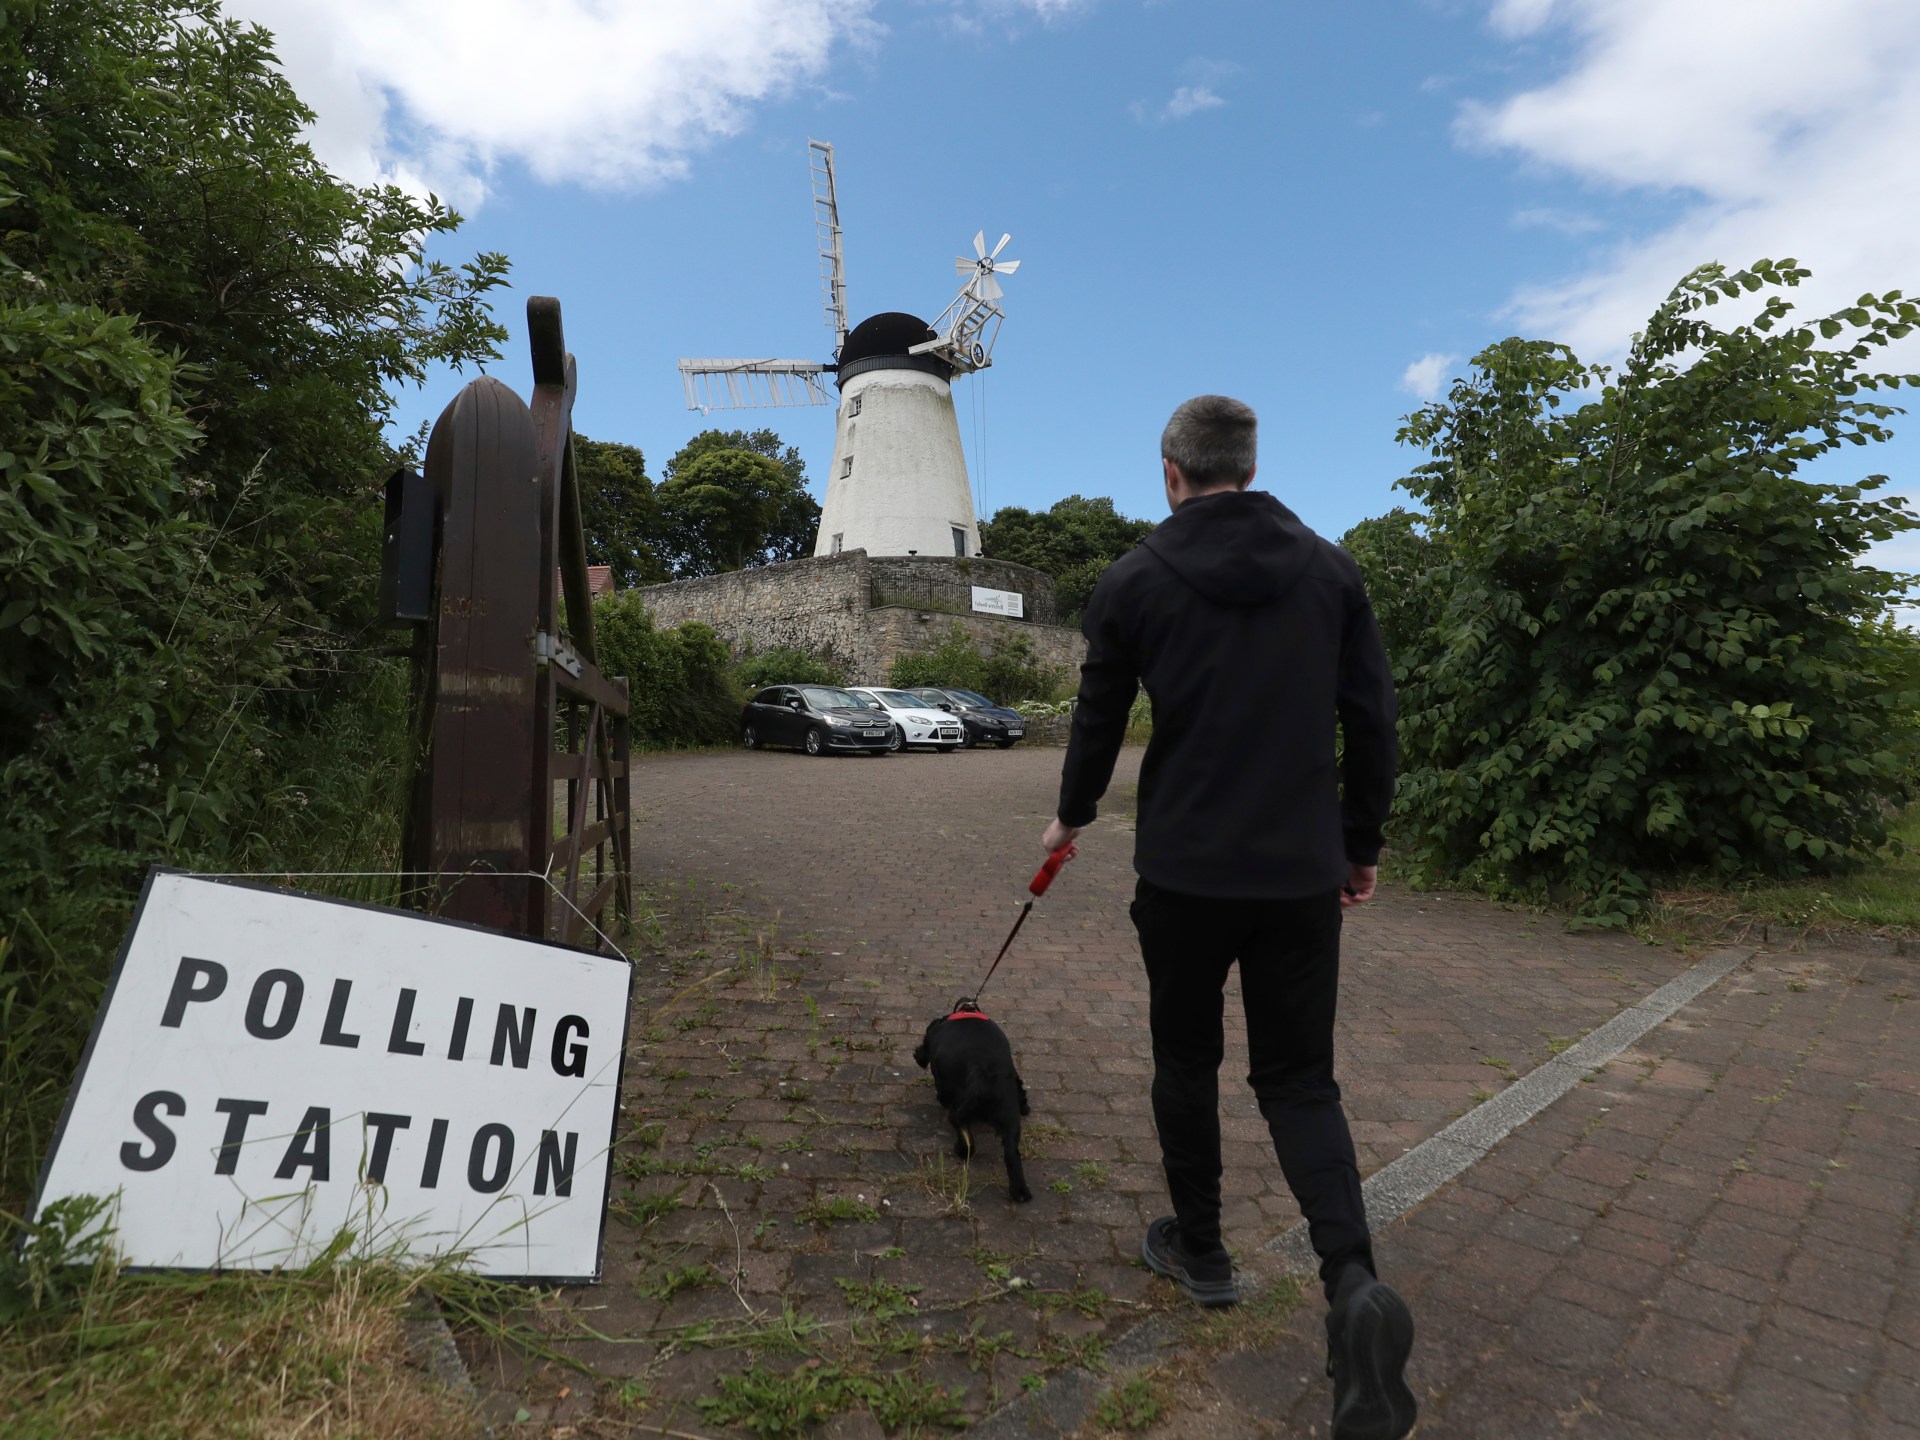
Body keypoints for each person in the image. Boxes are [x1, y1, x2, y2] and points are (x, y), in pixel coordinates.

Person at [1040, 395, 1415, 1440]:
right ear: (1249, 465)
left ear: (1172, 470)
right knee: (1300, 1079)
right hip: (1299, 876)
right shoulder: (1332, 571)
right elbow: (1372, 719)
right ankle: (1351, 1284)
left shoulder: (1135, 580)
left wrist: (1071, 818)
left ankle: (1201, 1251)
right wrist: (1361, 843)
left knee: (1186, 1059)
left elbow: (1099, 715)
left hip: (1186, 875)